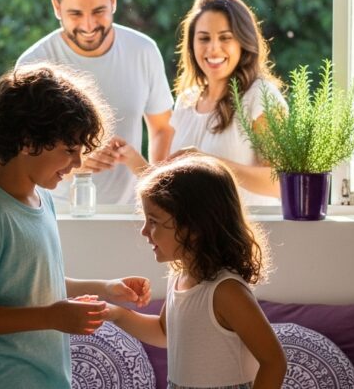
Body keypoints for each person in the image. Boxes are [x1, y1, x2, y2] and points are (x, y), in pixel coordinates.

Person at [0, 64, 152, 389]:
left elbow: (35, 284)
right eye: (69, 151)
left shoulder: (42, 200)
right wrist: (52, 317)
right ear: (27, 141)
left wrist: (105, 287)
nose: (79, 163)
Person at [110, 155, 287, 389]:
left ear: (193, 227)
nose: (144, 231)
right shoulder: (180, 278)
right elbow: (164, 332)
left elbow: (274, 361)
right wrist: (114, 314)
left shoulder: (226, 291)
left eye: (153, 221)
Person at [17, 0, 175, 206]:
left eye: (98, 11)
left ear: (113, 1)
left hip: (129, 213)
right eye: (75, 14)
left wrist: (156, 187)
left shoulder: (143, 50)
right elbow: (23, 150)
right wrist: (73, 162)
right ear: (57, 7)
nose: (88, 25)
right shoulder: (35, 62)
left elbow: (163, 128)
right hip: (55, 212)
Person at [167, 0, 286, 206]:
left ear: (243, 42)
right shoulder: (186, 101)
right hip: (192, 234)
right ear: (191, 45)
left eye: (225, 38)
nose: (213, 49)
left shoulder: (260, 96)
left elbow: (279, 182)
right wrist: (128, 158)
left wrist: (210, 164)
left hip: (245, 235)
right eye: (204, 38)